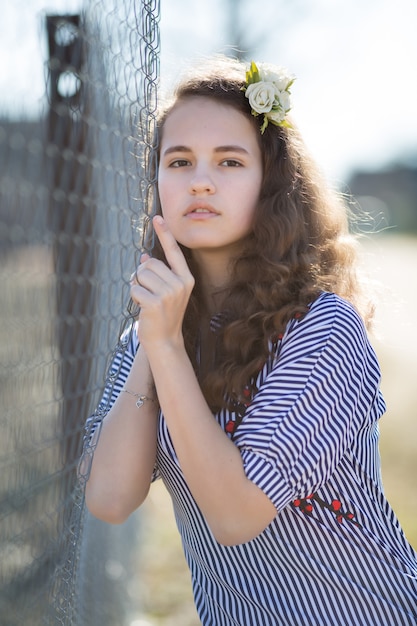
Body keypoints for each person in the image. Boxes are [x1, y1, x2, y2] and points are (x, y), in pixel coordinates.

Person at [83, 56, 417, 625]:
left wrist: (165, 350)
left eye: (230, 161)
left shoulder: (322, 328)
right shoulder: (151, 331)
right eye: (179, 161)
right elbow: (110, 500)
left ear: (271, 182)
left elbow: (237, 515)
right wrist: (155, 343)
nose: (201, 180)